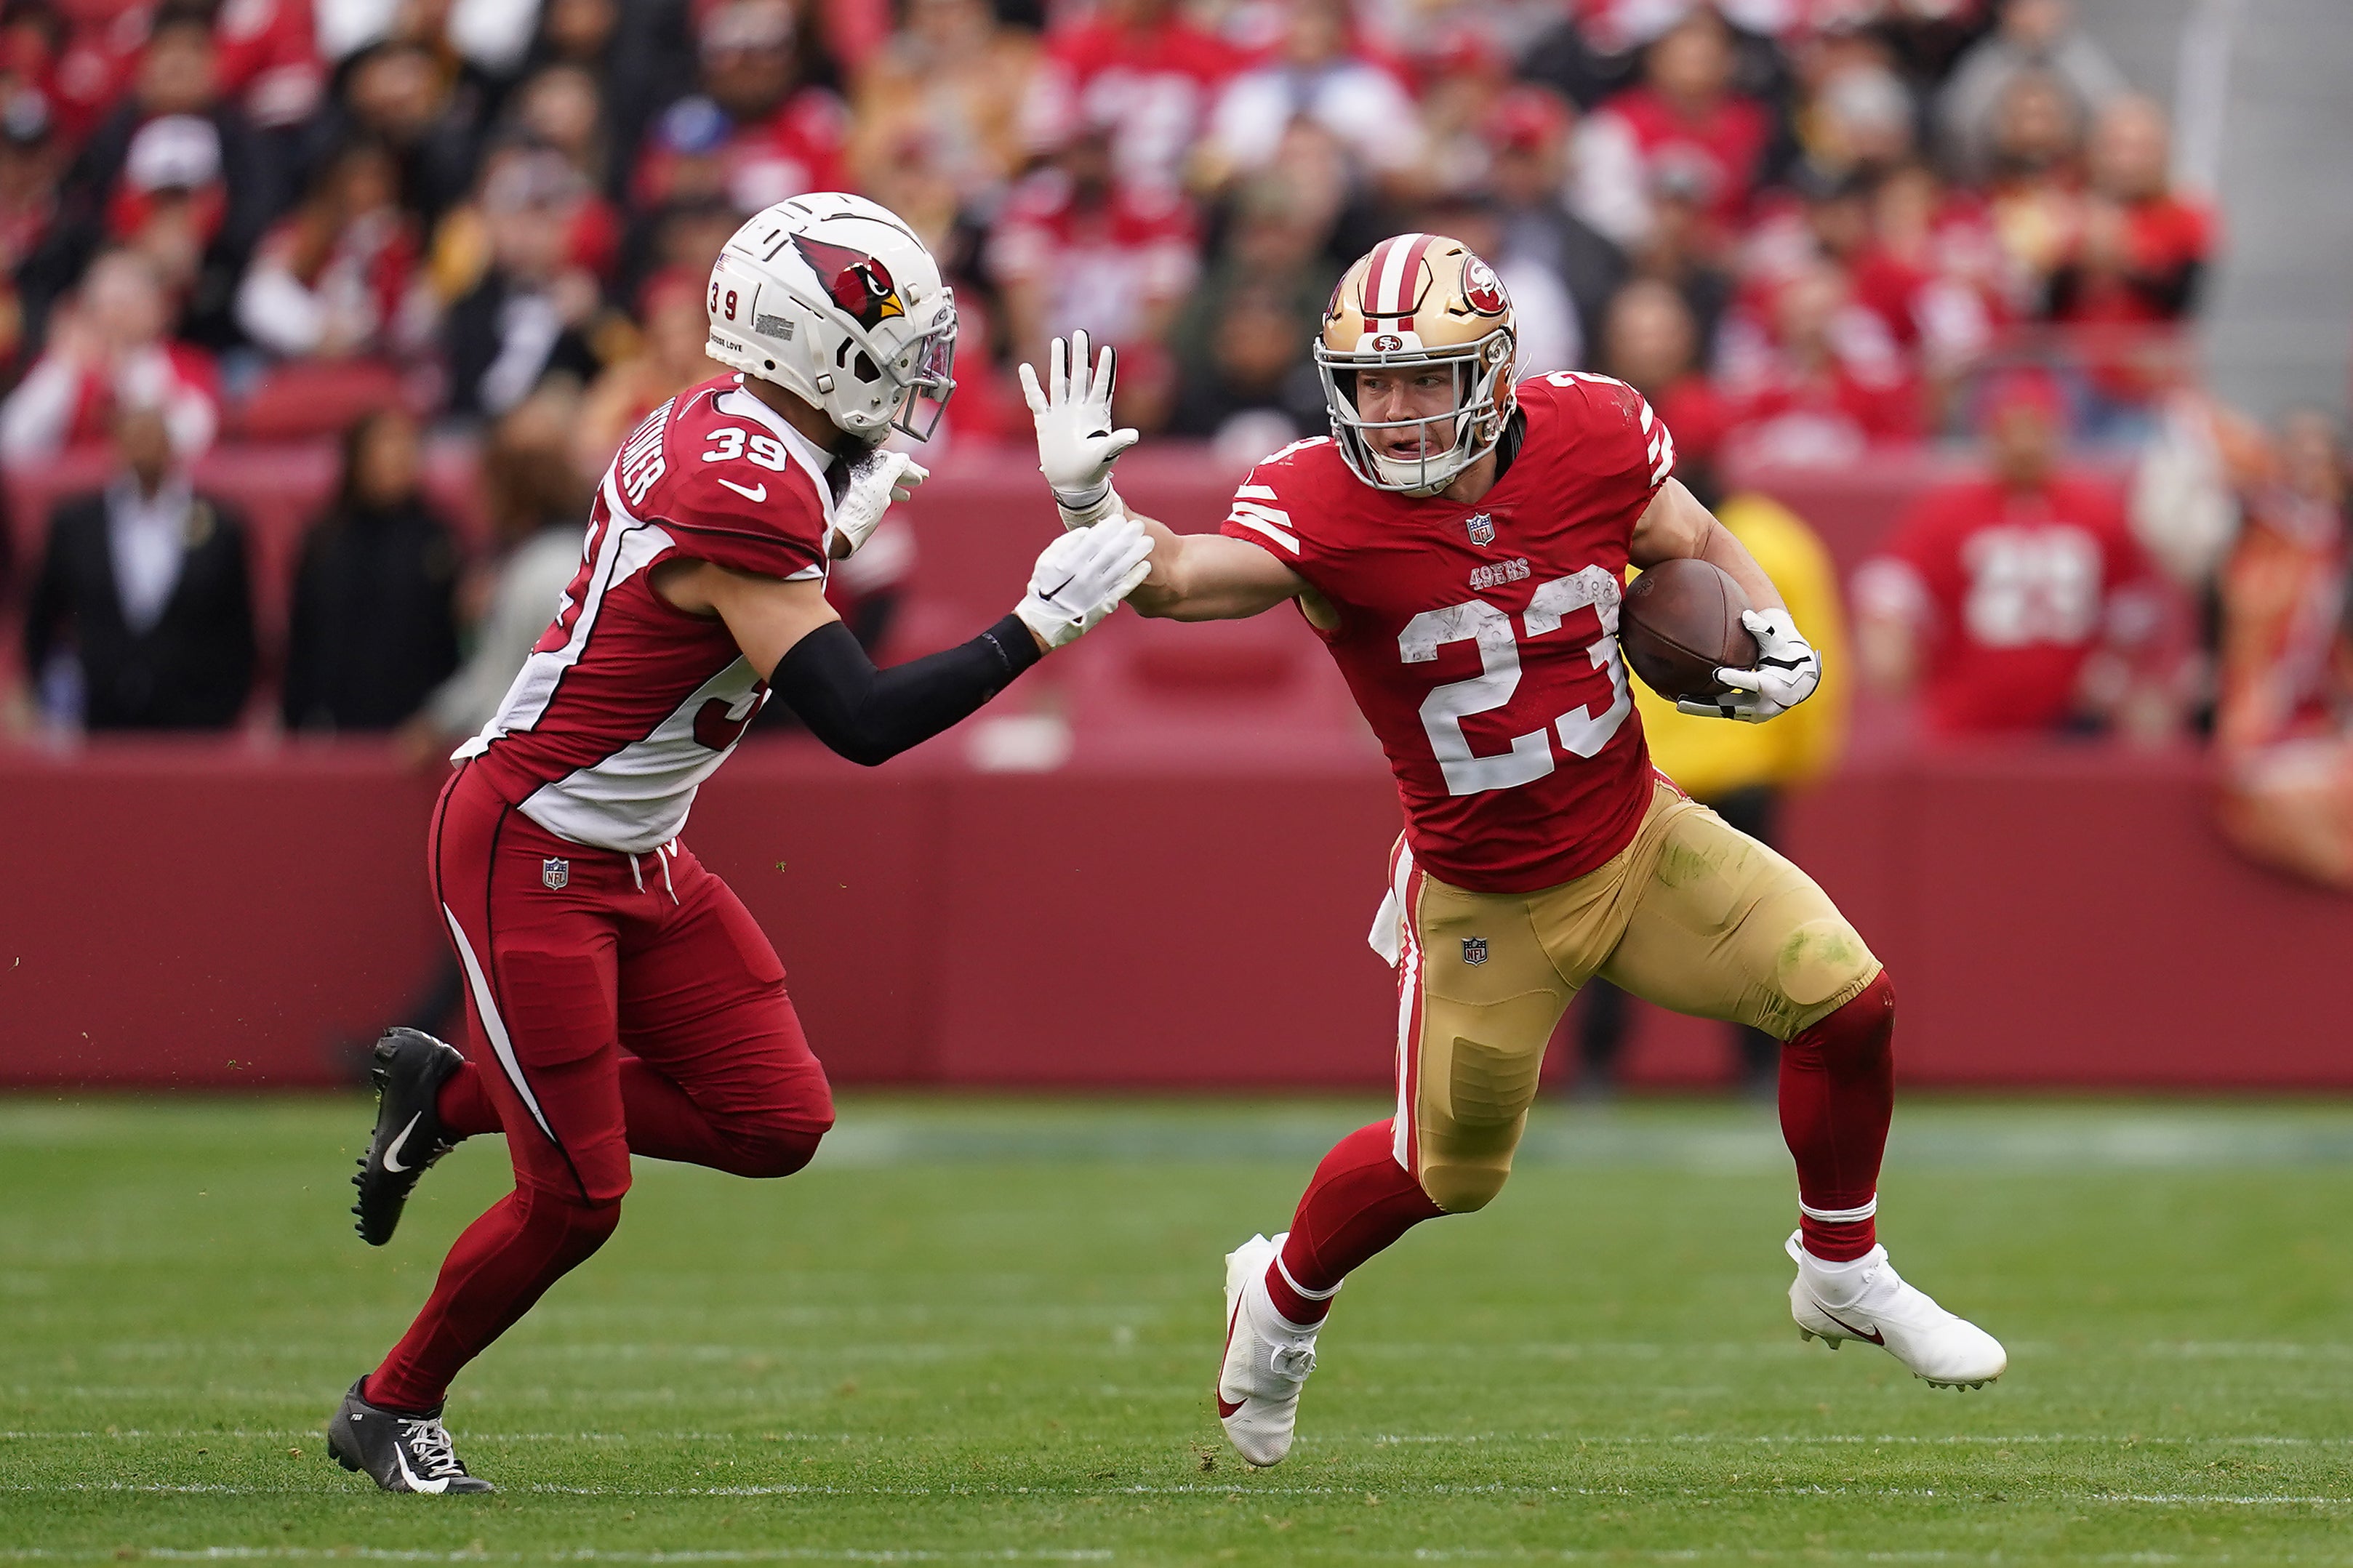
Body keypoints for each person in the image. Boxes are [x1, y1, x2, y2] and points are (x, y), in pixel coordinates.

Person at [1021, 232, 2005, 1471]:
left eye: (1424, 378)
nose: (1392, 408)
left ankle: (1842, 1265)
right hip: (1487, 895)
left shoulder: (1592, 431)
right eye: (1370, 382)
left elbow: (1685, 535)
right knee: (1446, 1170)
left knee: (1846, 999)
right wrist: (1088, 506)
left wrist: (1768, 627)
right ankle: (1275, 1301)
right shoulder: (1322, 498)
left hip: (1638, 836)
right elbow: (1176, 579)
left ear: (1492, 369)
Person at [326, 193, 1155, 1495]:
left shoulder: (739, 433)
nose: (922, 376)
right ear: (814, 345)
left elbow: (743, 584)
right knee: (576, 1197)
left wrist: (829, 522)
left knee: (777, 1117)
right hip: (533, 842)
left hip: (637, 849)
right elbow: (860, 720)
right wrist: (1032, 629)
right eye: (901, 346)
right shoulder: (741, 479)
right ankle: (390, 1401)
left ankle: (453, 1094)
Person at [1574, 482, 1852, 1100]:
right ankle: (1752, 1071)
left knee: (1627, 924)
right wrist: (1796, 754)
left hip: (1662, 767)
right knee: (1743, 924)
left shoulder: (1769, 538)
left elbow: (1806, 652)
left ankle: (1599, 1071)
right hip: (1704, 764)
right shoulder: (1774, 538)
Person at [1852, 369, 2162, 737]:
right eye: (2012, 430)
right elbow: (1890, 583)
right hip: (1968, 716)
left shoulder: (2096, 511)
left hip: (2067, 722)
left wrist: (2115, 672)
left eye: (2037, 429)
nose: (2025, 445)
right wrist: (1886, 629)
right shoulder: (1951, 511)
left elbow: (2131, 608)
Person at [20, 401, 254, 730]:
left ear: (173, 447)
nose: (143, 448)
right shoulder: (75, 524)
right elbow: (41, 619)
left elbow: (240, 629)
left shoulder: (220, 526)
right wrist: (45, 698)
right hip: (97, 718)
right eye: (133, 437)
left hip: (194, 722)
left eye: (152, 437)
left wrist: (225, 708)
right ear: (116, 447)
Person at [281, 408, 461, 733]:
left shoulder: (439, 540)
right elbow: (304, 638)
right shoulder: (324, 541)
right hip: (333, 726)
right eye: (384, 451)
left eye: (405, 450)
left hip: (418, 730)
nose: (397, 462)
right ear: (357, 462)